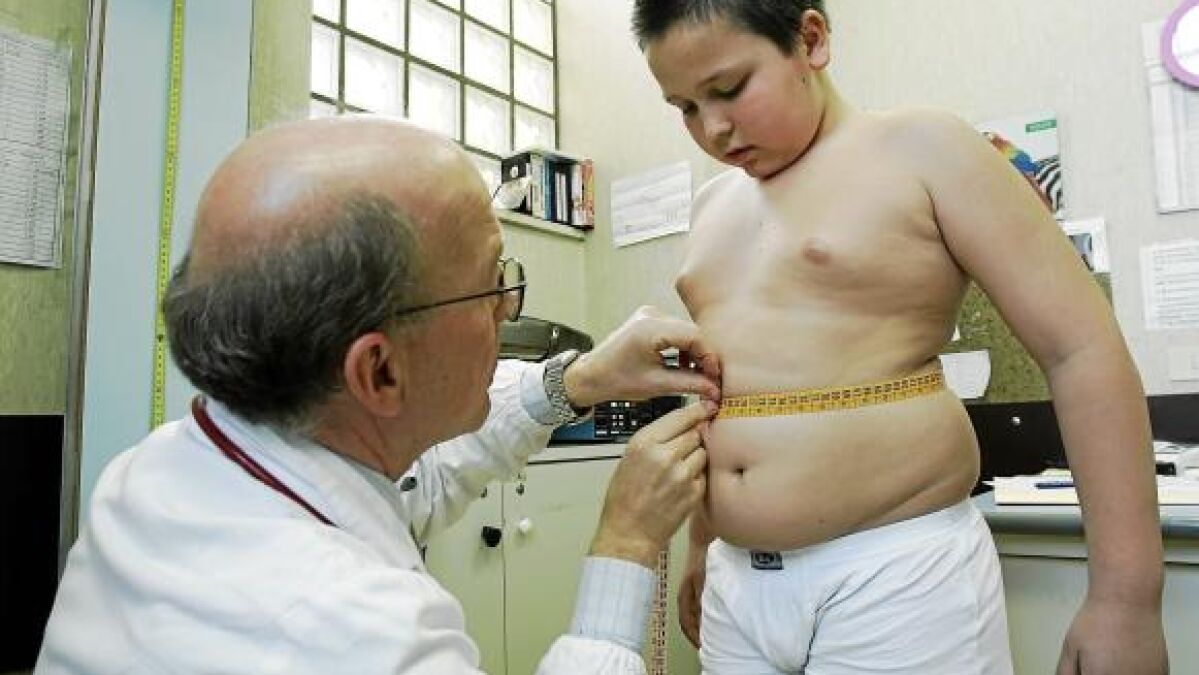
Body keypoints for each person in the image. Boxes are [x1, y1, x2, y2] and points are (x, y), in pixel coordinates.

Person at [36, 116, 724, 674]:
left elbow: (413, 482)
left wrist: (576, 381)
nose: (507, 307)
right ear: (380, 372)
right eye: (494, 284)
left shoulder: (163, 471)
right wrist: (626, 542)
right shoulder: (358, 636)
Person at [631, 1, 1167, 674]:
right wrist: (703, 543)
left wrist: (1126, 598)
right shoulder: (712, 206)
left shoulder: (925, 149)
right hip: (737, 583)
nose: (712, 128)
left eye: (730, 88)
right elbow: (724, 392)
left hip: (894, 571)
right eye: (684, 106)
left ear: (810, 40)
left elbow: (1080, 350)